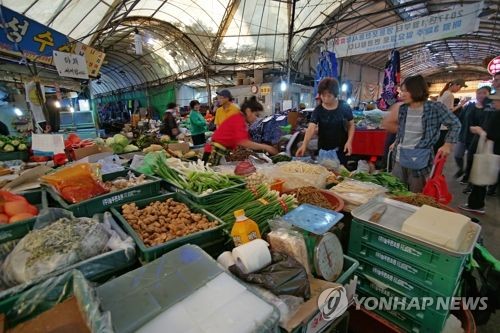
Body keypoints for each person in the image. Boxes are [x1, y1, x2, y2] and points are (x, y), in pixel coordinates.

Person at [383, 75, 461, 193]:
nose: (401, 94)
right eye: (401, 91)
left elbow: (455, 124)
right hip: (399, 157)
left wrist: (448, 145)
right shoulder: (403, 109)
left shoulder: (435, 107)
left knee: (415, 195)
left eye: (405, 91)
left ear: (416, 90)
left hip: (420, 159)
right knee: (396, 192)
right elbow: (404, 129)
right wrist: (397, 141)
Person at [295, 77, 355, 165]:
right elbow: (311, 128)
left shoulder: (344, 106)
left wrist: (349, 141)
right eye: (323, 95)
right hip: (323, 149)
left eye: (329, 96)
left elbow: (351, 125)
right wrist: (304, 144)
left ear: (335, 94)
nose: (326, 99)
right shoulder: (318, 110)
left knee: (340, 173)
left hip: (341, 147)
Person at [459, 93, 500, 214]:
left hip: (491, 151)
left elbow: (491, 135)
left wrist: (479, 130)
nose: (494, 103)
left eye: (497, 100)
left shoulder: (498, 115)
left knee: (480, 177)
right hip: (494, 152)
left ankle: (476, 205)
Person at [207, 96, 278, 165]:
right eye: (256, 115)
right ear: (248, 111)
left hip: (218, 150)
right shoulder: (238, 119)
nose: (256, 118)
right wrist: (267, 147)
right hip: (215, 151)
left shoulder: (240, 119)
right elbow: (244, 142)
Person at [455, 87, 491, 181]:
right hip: (464, 135)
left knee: (472, 159)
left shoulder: (489, 109)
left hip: (477, 138)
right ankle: (462, 169)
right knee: (457, 155)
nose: (481, 95)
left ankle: (468, 177)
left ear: (489, 94)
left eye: (484, 93)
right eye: (479, 93)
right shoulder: (469, 106)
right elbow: (460, 118)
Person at [435, 78, 468, 153]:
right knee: (440, 148)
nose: (459, 89)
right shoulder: (450, 95)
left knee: (436, 146)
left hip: (438, 124)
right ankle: (436, 164)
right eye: (460, 87)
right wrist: (461, 105)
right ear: (456, 85)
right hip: (444, 126)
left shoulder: (443, 93)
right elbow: (449, 111)